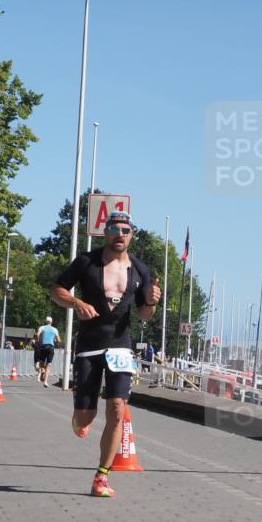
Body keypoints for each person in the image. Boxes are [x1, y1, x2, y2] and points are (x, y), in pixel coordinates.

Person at [50, 211, 161, 498]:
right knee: (85, 418)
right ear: (106, 232)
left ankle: (101, 476)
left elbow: (145, 315)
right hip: (89, 346)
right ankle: (79, 420)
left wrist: (151, 303)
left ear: (132, 234)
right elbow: (56, 291)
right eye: (115, 229)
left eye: (125, 230)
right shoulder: (86, 261)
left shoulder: (140, 270)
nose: (120, 234)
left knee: (117, 408)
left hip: (120, 346)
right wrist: (76, 302)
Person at [33, 317, 60, 388]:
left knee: (41, 363)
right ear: (51, 322)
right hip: (51, 347)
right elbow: (59, 340)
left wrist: (38, 341)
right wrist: (54, 340)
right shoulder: (55, 329)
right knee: (49, 365)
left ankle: (42, 370)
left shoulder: (42, 327)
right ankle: (45, 381)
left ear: (46, 321)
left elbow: (37, 334)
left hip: (43, 347)